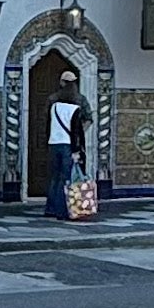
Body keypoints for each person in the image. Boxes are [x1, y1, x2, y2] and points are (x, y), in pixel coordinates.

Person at [43, 79, 88, 220]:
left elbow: (48, 126)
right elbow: (75, 132)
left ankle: (50, 208)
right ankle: (62, 211)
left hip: (53, 144)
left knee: (55, 178)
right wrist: (76, 151)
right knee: (66, 179)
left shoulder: (54, 106)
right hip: (67, 146)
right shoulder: (75, 109)